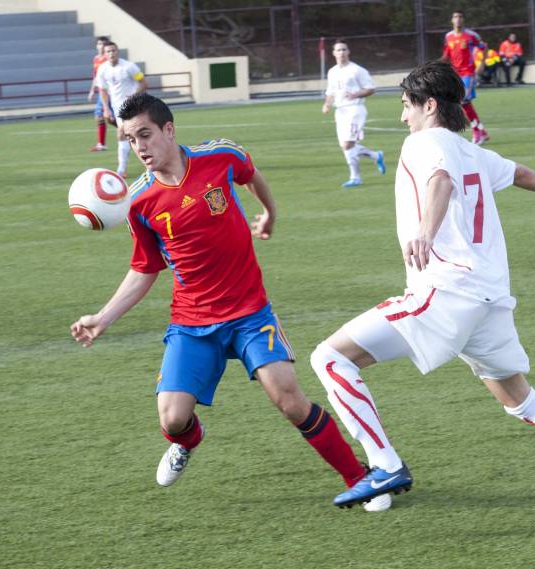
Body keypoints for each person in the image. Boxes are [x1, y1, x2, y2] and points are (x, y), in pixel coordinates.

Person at [309, 61, 535, 511]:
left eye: (406, 106)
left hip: (446, 292)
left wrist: (426, 232)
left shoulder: (423, 142)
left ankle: (385, 464)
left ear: (429, 106)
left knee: (330, 358)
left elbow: (440, 182)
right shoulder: (471, 150)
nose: (402, 117)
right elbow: (519, 172)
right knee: (519, 399)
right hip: (490, 300)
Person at [70, 93, 391, 513]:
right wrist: (103, 317)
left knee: (289, 398)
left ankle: (360, 478)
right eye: (131, 139)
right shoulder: (139, 201)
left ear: (169, 129)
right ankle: (188, 439)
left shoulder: (220, 156)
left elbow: (251, 174)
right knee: (172, 419)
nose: (140, 147)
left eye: (145, 134)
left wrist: (269, 214)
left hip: (250, 314)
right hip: (191, 322)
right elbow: (145, 268)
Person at [322, 40, 386, 188]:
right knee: (346, 146)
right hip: (340, 111)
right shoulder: (332, 72)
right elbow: (330, 92)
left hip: (355, 110)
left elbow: (370, 88)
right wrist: (326, 104)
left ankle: (355, 177)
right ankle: (376, 156)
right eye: (338, 50)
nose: (341, 52)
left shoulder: (357, 70)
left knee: (347, 144)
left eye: (344, 49)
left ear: (348, 51)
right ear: (333, 53)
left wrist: (355, 94)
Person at [95, 42, 146, 178]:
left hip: (132, 105)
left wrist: (133, 97)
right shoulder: (102, 69)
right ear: (105, 54)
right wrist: (106, 108)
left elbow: (143, 82)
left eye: (113, 50)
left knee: (122, 132)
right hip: (116, 107)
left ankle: (121, 170)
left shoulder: (129, 67)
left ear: (118, 51)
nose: (111, 53)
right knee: (132, 136)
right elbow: (103, 90)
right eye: (108, 51)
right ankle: (147, 163)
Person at [441, 10, 490, 145]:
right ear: (452, 20)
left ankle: (477, 132)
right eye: (455, 16)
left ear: (463, 20)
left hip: (468, 73)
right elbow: (446, 55)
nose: (458, 19)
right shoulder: (448, 37)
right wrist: (437, 66)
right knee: (462, 103)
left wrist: (482, 64)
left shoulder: (471, 36)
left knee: (463, 101)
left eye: (460, 17)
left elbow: (484, 47)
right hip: (455, 74)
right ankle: (481, 131)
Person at [88, 36, 112, 152]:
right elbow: (95, 76)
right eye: (99, 44)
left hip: (110, 92)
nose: (101, 46)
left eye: (103, 44)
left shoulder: (109, 59)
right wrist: (92, 90)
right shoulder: (96, 59)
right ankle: (101, 144)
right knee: (101, 116)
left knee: (106, 117)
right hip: (101, 91)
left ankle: (102, 144)